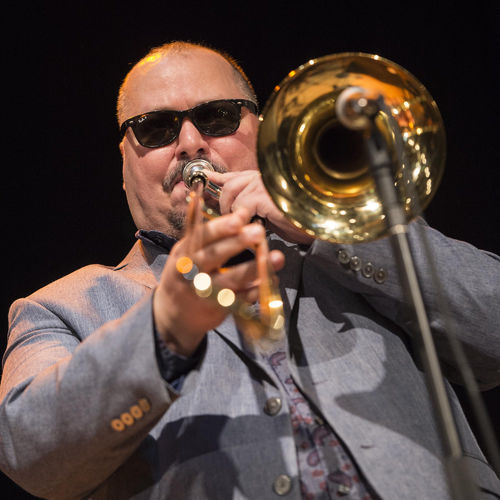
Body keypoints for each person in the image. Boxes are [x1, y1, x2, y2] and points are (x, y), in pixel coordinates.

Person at [0, 41, 499, 500]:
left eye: (216, 117)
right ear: (125, 166)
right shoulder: (60, 306)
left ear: (261, 134)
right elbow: (29, 452)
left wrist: (323, 227)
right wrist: (160, 331)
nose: (190, 143)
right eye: (156, 128)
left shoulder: (364, 235)